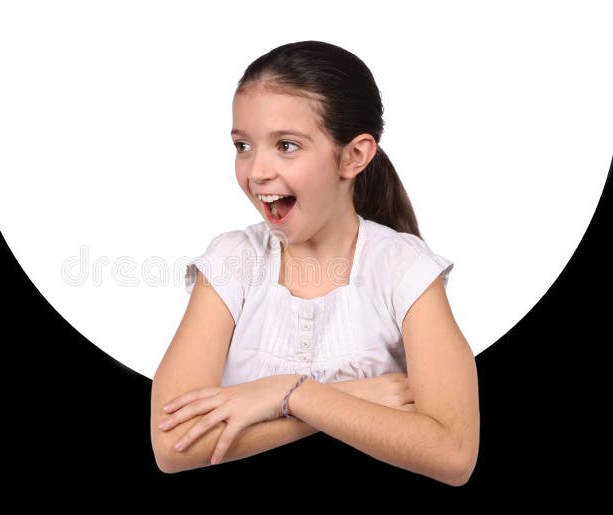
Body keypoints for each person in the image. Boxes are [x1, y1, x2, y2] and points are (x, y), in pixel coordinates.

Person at [150, 40, 479, 486]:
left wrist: (285, 394)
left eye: (286, 145)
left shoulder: (403, 268)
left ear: (354, 156)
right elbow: (174, 445)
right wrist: (331, 399)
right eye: (243, 145)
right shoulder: (232, 262)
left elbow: (453, 452)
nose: (256, 171)